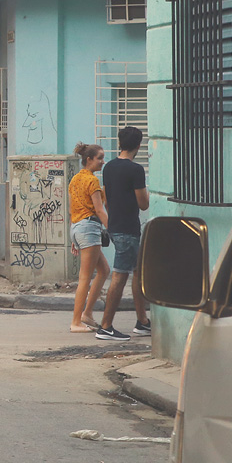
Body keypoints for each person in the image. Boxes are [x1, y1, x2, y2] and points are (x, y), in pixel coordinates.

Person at [99, 127, 152, 339]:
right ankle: (105, 326)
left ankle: (143, 321)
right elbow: (144, 204)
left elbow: (107, 198)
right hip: (128, 228)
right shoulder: (136, 170)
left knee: (137, 273)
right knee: (120, 276)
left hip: (115, 225)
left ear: (120, 142)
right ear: (138, 146)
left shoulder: (109, 167)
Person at [68, 142, 114, 336]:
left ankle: (87, 314)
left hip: (78, 227)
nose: (103, 162)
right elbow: (98, 209)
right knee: (85, 277)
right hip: (88, 227)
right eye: (100, 158)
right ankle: (76, 321)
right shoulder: (92, 181)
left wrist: (75, 237)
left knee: (103, 270)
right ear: (89, 160)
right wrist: (114, 228)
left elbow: (74, 208)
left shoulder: (75, 179)